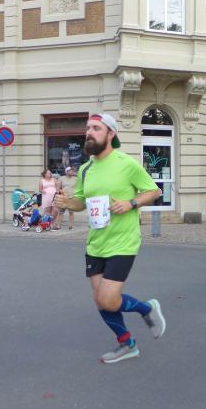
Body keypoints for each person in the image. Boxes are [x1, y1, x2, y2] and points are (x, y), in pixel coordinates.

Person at [54, 113, 166, 364]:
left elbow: (153, 191)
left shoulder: (127, 164)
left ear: (110, 134)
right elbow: (81, 202)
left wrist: (131, 203)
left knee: (108, 299)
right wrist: (67, 203)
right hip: (96, 242)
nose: (89, 132)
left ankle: (146, 308)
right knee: (101, 301)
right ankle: (127, 343)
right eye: (88, 128)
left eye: (96, 128)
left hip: (123, 241)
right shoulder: (86, 169)